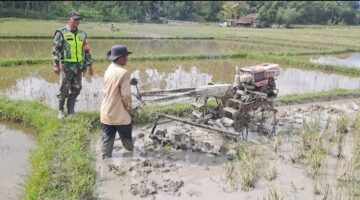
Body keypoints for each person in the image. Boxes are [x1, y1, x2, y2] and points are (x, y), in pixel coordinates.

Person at [52, 11, 93, 119]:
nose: (77, 21)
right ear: (69, 19)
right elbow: (56, 50)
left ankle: (71, 110)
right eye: (74, 19)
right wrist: (55, 65)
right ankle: (61, 110)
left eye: (78, 19)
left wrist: (90, 65)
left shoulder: (82, 34)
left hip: (79, 67)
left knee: (77, 88)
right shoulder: (61, 33)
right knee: (63, 89)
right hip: (66, 66)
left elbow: (87, 50)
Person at [100, 45, 134, 159]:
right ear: (120, 58)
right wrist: (129, 110)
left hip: (106, 111)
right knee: (128, 145)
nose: (127, 59)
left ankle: (105, 164)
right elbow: (126, 96)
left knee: (106, 147)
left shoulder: (109, 69)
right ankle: (129, 157)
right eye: (126, 57)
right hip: (120, 113)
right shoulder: (124, 73)